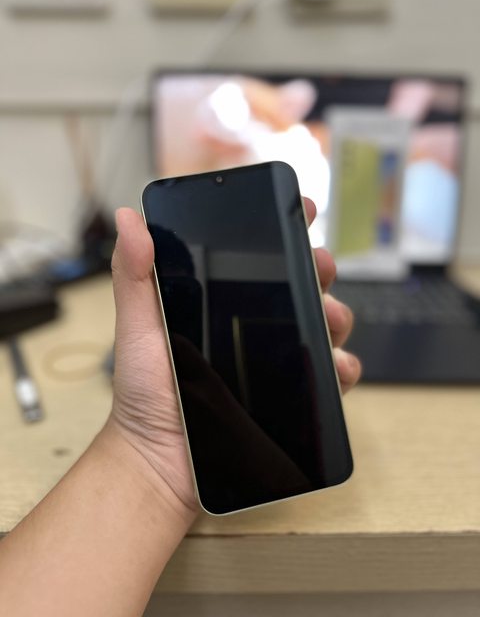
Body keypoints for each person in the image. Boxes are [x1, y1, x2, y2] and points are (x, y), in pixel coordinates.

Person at [0, 206, 361, 617]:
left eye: (189, 291)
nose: (186, 302)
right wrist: (146, 449)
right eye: (176, 291)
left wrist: (147, 456)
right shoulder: (192, 374)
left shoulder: (206, 375)